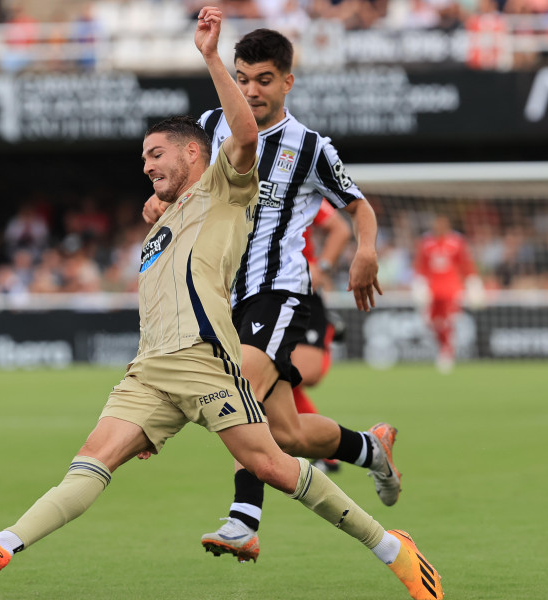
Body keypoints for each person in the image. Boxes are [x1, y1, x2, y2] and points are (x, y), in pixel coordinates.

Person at [0, 9, 442, 600]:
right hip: (152, 369)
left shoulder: (230, 182)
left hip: (219, 348)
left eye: (154, 156)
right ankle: (1, 544)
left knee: (274, 460)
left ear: (195, 155)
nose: (145, 167)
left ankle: (387, 548)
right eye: (143, 159)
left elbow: (243, 139)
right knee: (99, 458)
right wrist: (159, 207)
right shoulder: (163, 221)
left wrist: (212, 58)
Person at [142, 27, 396, 566]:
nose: (251, 91)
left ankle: (243, 521)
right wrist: (158, 203)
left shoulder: (310, 147)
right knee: (290, 434)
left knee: (239, 393)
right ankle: (370, 448)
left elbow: (359, 207)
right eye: (242, 79)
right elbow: (183, 188)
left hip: (279, 293)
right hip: (224, 297)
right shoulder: (212, 128)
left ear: (287, 81)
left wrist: (365, 250)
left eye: (263, 80)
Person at [293, 199, 352, 473]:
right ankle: (325, 454)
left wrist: (323, 267)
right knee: (267, 381)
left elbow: (340, 228)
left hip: (301, 291)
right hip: (257, 294)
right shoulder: (232, 183)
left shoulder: (298, 183)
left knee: (300, 376)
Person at [412, 214, 483, 373]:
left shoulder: (457, 242)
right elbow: (420, 266)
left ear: (448, 225)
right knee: (432, 322)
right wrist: (419, 284)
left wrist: (473, 282)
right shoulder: (426, 243)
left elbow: (466, 264)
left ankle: (447, 353)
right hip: (433, 289)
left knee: (448, 321)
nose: (439, 226)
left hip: (452, 288)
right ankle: (443, 349)